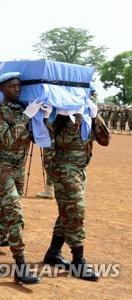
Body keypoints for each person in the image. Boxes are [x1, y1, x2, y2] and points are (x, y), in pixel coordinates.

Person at [0, 72, 41, 284]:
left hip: (18, 169)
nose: (17, 89)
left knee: (7, 218)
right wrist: (27, 117)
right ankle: (21, 266)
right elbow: (7, 138)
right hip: (2, 168)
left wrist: (42, 118)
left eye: (19, 85)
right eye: (12, 86)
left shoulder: (24, 109)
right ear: (2, 89)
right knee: (15, 214)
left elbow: (35, 137)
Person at [41, 99, 110, 282]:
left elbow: (105, 140)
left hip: (80, 170)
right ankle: (78, 261)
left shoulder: (88, 114)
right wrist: (66, 117)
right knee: (75, 211)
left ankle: (53, 252)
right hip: (63, 169)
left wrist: (95, 116)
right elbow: (54, 142)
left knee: (67, 211)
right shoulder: (60, 115)